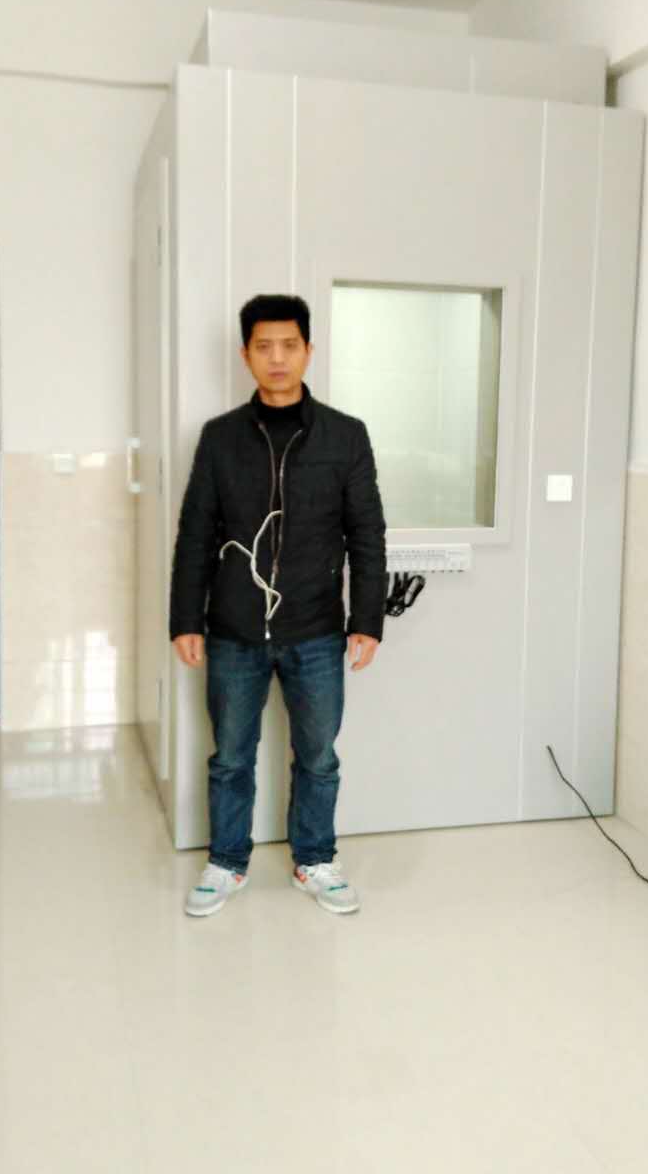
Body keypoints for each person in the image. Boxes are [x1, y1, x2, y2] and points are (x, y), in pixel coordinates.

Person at [169, 293, 386, 918]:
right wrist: (185, 619)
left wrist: (366, 621)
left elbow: (366, 534)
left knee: (318, 756)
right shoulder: (220, 438)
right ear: (246, 355)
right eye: (264, 346)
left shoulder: (345, 436)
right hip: (233, 628)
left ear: (308, 351)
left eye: (289, 345)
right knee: (230, 757)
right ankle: (226, 862)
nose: (277, 358)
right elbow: (196, 533)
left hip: (316, 628)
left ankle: (314, 859)